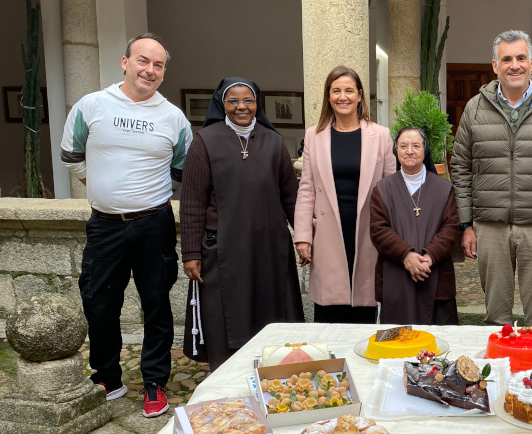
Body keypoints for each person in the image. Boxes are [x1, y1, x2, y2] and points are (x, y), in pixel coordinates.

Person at [60, 33, 192, 418]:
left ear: (164, 72)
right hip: (104, 226)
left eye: (158, 65)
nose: (149, 70)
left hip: (154, 223)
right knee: (99, 303)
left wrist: (139, 193)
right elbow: (72, 156)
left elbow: (182, 170)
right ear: (125, 62)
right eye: (143, 61)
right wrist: (104, 189)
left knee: (156, 303)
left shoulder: (173, 117)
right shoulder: (92, 106)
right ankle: (107, 377)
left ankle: (154, 382)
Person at [450, 30, 532, 327]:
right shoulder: (474, 108)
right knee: (496, 318)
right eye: (506, 59)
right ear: (495, 66)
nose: (514, 65)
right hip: (490, 226)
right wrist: (466, 224)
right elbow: (460, 167)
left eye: (521, 57)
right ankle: (499, 371)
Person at [179, 77, 303, 370]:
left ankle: (275, 367)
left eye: (247, 100)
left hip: (270, 246)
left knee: (271, 309)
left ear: (257, 104)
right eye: (233, 101)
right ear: (222, 104)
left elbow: (291, 196)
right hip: (223, 246)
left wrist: (303, 238)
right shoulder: (204, 142)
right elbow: (192, 202)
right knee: (229, 312)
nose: (241, 107)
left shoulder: (273, 141)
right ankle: (229, 371)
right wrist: (190, 254)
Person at [294, 65, 395, 323]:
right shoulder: (314, 136)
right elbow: (306, 189)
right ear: (328, 96)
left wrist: (393, 238)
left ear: (360, 95)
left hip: (367, 230)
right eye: (336, 90)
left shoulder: (381, 136)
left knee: (364, 304)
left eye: (349, 90)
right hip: (327, 231)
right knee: (329, 310)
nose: (343, 97)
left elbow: (391, 190)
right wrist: (303, 237)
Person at [369, 127, 461, 324]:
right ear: (396, 151)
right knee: (398, 345)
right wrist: (406, 255)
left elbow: (451, 228)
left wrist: (429, 257)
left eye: (416, 146)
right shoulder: (382, 189)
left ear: (425, 150)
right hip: (396, 274)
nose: (409, 151)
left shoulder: (444, 188)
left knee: (439, 347)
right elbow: (378, 230)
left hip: (435, 274)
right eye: (403, 146)